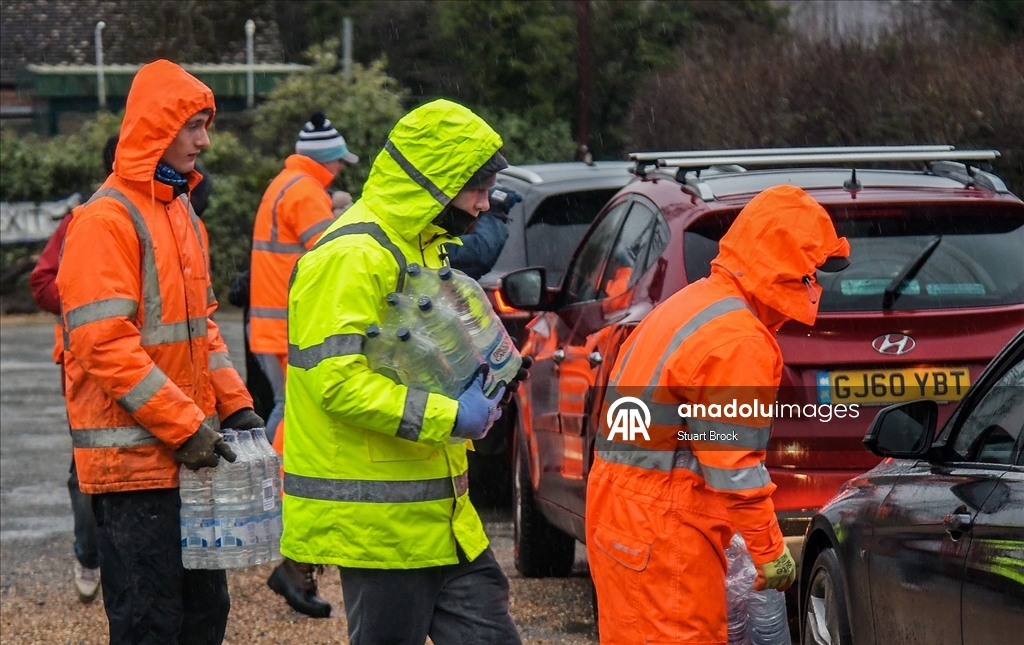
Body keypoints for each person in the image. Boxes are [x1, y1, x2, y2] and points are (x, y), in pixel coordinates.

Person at [282, 99, 523, 645]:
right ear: (435, 183)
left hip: (443, 521)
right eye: (477, 189)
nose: (485, 205)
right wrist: (451, 414)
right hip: (382, 528)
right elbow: (337, 384)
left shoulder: (417, 247)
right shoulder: (351, 257)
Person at [585, 184, 851, 644]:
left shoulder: (694, 305)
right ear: (793, 268)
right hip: (665, 532)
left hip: (623, 517)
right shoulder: (737, 339)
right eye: (815, 271)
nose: (818, 284)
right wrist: (769, 550)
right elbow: (735, 465)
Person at [56, 59, 260, 645]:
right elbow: (105, 344)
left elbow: (202, 330)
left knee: (202, 620)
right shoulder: (107, 219)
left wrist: (236, 405)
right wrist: (185, 426)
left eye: (205, 125)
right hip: (134, 474)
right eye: (192, 125)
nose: (204, 139)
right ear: (155, 128)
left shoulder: (180, 214)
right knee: (150, 626)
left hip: (181, 462)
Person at [249, 111, 357, 618]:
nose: (341, 170)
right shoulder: (306, 190)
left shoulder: (287, 183)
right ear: (328, 159)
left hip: (273, 329)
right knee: (293, 427)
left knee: (285, 419)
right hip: (290, 332)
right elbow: (334, 252)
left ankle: (282, 515)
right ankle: (281, 507)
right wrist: (347, 213)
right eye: (339, 161)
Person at [29, 135, 118, 604]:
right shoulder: (84, 219)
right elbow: (42, 281)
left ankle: (110, 556)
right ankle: (89, 554)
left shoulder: (170, 214)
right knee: (85, 468)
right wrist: (89, 303)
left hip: (140, 365)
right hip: (84, 364)